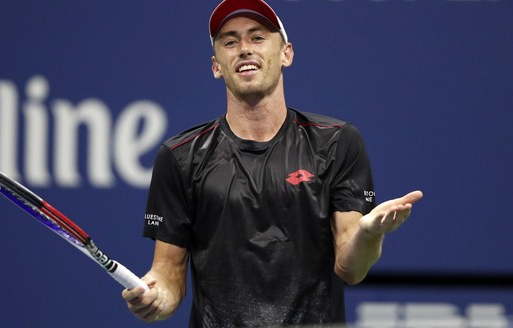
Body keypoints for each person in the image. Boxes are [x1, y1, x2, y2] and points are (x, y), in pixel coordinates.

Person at [122, 0, 423, 326]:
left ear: (286, 54)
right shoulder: (179, 156)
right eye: (230, 41)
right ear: (216, 65)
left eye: (257, 37)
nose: (244, 49)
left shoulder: (337, 142)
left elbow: (351, 270)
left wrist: (368, 235)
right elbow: (169, 272)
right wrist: (157, 296)